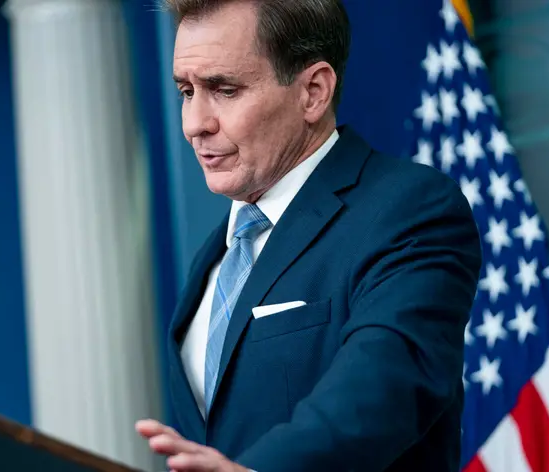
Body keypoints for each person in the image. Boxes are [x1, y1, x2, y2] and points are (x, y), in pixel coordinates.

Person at [135, 1, 482, 470]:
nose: (195, 123)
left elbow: (386, 383)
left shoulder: (408, 210)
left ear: (313, 92)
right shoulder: (213, 259)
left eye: (224, 90)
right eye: (186, 91)